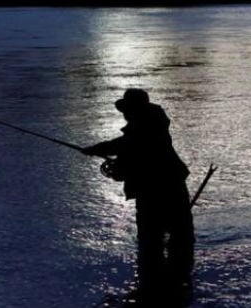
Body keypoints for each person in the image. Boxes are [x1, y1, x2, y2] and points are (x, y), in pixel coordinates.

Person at [82, 88, 194, 301]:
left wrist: (96, 149)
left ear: (135, 110)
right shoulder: (152, 123)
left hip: (155, 190)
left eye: (127, 110)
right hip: (170, 184)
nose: (124, 114)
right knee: (178, 235)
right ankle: (177, 281)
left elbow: (126, 146)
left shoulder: (146, 128)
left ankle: (157, 286)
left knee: (153, 240)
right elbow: (129, 151)